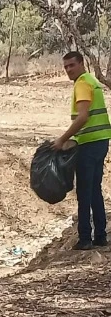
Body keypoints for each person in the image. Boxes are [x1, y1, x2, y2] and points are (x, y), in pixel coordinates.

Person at [53, 51, 111, 250]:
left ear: (81, 64)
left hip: (89, 144)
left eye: (72, 65)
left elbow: (83, 116)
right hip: (100, 141)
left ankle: (85, 238)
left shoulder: (83, 84)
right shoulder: (91, 80)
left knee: (85, 191)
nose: (69, 70)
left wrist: (63, 139)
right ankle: (101, 236)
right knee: (94, 189)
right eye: (66, 67)